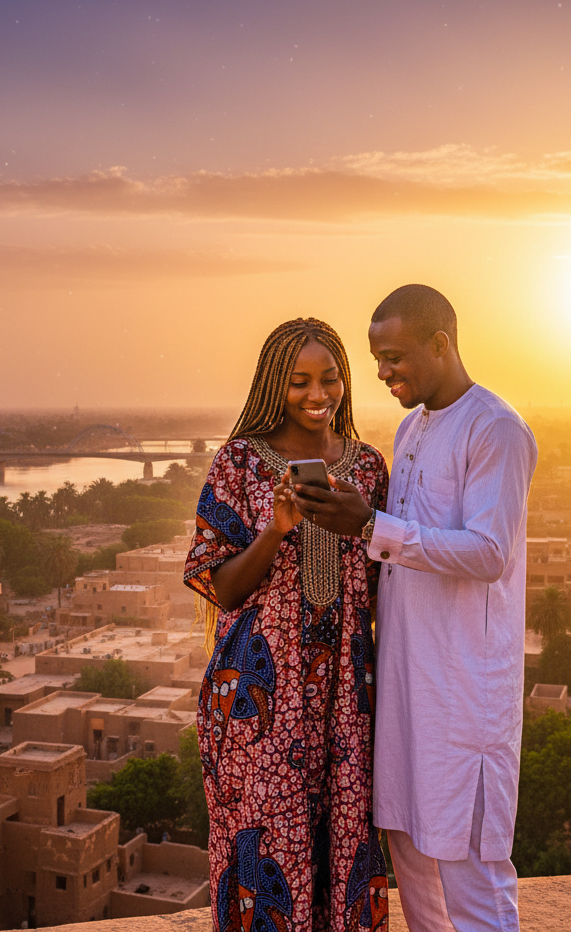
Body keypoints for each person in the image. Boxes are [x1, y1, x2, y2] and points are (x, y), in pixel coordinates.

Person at [291, 286, 537, 932]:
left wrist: (370, 522)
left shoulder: (497, 429)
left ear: (440, 344)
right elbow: (399, 544)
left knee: (471, 877)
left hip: (464, 701)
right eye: (376, 360)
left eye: (394, 357)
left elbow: (487, 552)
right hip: (406, 691)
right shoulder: (412, 429)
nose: (382, 373)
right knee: (414, 870)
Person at [184, 317, 390, 932]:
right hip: (257, 701)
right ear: (276, 384)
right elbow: (218, 586)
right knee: (265, 855)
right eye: (299, 381)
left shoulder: (370, 468)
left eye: (329, 379)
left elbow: (390, 582)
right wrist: (275, 530)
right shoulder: (241, 464)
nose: (316, 394)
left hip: (346, 701)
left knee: (346, 839)